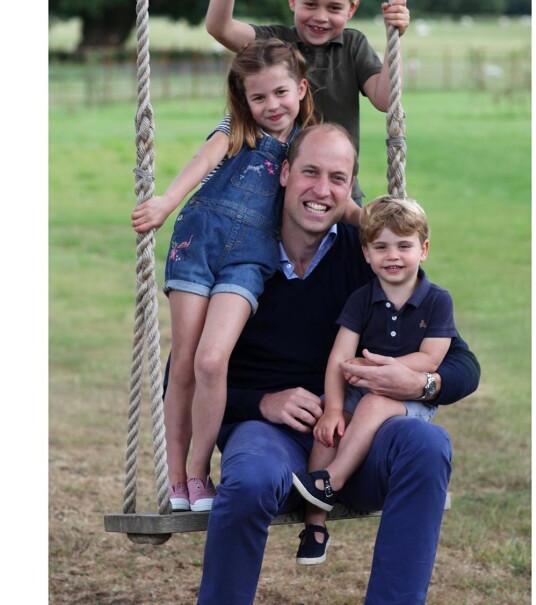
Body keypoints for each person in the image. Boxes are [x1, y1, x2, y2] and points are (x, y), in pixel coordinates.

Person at [196, 124, 481, 604]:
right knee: (248, 479)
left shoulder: (366, 254)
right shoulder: (240, 253)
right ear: (285, 173)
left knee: (426, 443)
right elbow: (182, 377)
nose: (322, 190)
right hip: (272, 435)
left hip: (359, 436)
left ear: (350, 189)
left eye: (338, 177)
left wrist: (418, 382)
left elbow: (462, 365)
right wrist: (262, 402)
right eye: (310, 172)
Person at [130, 38, 322, 513]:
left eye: (280, 93)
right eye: (259, 97)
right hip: (198, 242)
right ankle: (177, 480)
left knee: (213, 361)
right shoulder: (236, 127)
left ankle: (199, 472)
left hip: (250, 257)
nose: (271, 106)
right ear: (245, 99)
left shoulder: (307, 142)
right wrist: (166, 202)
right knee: (185, 362)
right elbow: (203, 162)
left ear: (300, 88)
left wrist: (374, 222)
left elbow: (328, 193)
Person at [291, 195, 458, 565]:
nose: (393, 256)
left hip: (409, 397)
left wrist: (385, 371)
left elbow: (432, 358)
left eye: (404, 246)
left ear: (424, 249)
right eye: (381, 247)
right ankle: (315, 524)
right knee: (327, 429)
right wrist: (333, 409)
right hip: (360, 386)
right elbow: (339, 357)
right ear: (366, 253)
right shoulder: (362, 299)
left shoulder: (437, 301)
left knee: (374, 402)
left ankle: (332, 479)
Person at [205, 0, 411, 203]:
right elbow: (220, 28)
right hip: (277, 191)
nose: (321, 17)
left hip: (338, 191)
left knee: (349, 244)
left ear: (351, 10)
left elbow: (385, 99)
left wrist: (393, 39)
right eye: (311, 4)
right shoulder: (276, 43)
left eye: (334, 8)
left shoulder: (353, 45)